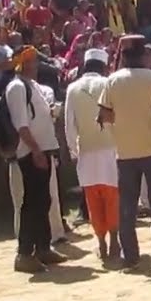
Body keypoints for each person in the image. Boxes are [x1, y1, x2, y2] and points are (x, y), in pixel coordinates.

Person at [98, 35, 151, 270]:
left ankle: (130, 255)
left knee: (127, 206)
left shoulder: (112, 81)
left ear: (122, 56)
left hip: (125, 153)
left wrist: (123, 122)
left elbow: (105, 115)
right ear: (143, 54)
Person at [7, 47, 68, 274]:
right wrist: (36, 150)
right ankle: (24, 253)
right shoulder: (16, 87)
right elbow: (21, 125)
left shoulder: (32, 86)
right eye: (30, 61)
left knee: (43, 200)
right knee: (32, 203)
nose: (35, 65)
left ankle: (43, 248)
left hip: (42, 150)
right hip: (31, 152)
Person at [64, 49, 120, 260]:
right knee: (112, 197)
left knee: (92, 199)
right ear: (103, 66)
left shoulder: (72, 88)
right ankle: (115, 241)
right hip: (110, 150)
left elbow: (69, 125)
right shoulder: (109, 84)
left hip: (86, 152)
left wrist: (74, 151)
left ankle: (101, 243)